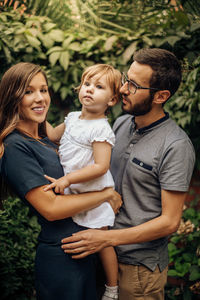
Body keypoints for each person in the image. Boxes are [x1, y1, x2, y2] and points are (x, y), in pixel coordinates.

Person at [60, 48, 196, 300]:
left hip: (138, 270)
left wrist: (105, 238)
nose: (122, 88)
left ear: (161, 96)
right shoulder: (121, 123)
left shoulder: (175, 145)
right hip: (99, 253)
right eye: (126, 79)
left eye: (133, 85)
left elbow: (170, 221)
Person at [0, 62, 122, 300]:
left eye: (43, 90)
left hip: (87, 248)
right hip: (63, 254)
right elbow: (51, 209)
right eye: (28, 91)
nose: (40, 98)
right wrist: (106, 195)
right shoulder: (15, 146)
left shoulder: (44, 139)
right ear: (12, 97)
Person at [44, 64, 122, 300]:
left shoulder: (101, 129)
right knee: (81, 239)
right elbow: (51, 136)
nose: (89, 90)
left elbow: (101, 166)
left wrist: (67, 179)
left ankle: (112, 287)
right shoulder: (72, 118)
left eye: (99, 87)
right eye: (87, 84)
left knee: (102, 240)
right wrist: (35, 113)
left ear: (112, 99)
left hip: (95, 193)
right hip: (76, 194)